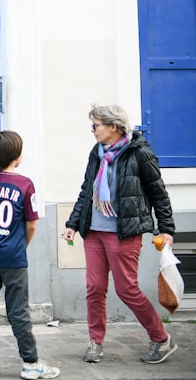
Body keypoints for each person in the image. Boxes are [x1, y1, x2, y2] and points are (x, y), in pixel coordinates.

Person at [63, 104, 177, 364]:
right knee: (95, 287)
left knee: (127, 290)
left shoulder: (140, 154)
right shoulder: (97, 152)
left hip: (123, 232)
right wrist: (73, 222)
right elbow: (86, 189)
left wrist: (166, 228)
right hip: (93, 230)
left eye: (96, 126)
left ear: (113, 127)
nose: (92, 131)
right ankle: (95, 341)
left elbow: (158, 193)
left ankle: (161, 338)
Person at [0, 130, 60, 380]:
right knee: (18, 311)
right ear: (17, 157)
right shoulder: (25, 184)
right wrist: (23, 247)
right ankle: (30, 363)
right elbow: (32, 223)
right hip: (13, 257)